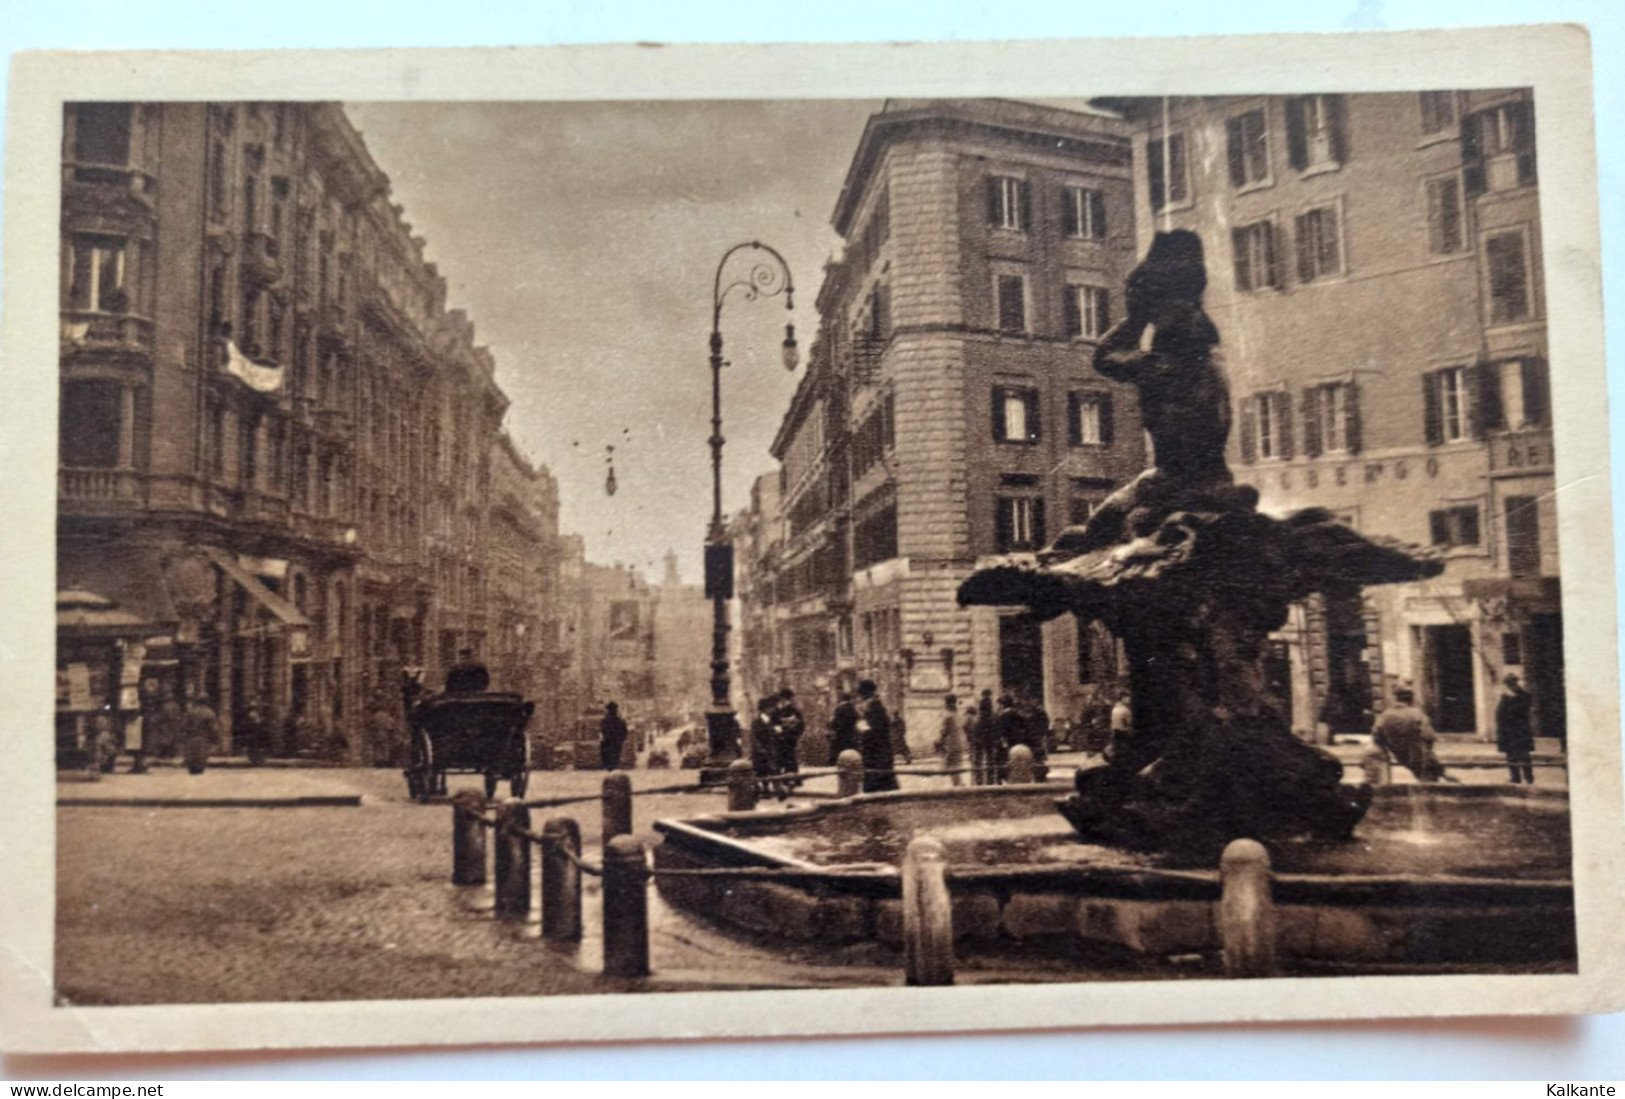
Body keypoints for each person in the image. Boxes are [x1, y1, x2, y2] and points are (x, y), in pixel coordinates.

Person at [1371, 686, 1452, 783]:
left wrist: (1391, 744)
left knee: (1433, 774)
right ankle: (1448, 778)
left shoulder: (1385, 716)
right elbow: (1429, 736)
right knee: (1430, 780)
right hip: (1419, 755)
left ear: (1395, 698)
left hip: (1399, 754)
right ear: (1411, 699)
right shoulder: (1416, 714)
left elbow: (1376, 735)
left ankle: (1445, 775)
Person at [855, 679, 898, 793]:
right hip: (877, 746)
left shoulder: (872, 705)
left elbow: (873, 726)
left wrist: (861, 727)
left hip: (875, 746)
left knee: (875, 772)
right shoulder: (875, 703)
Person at [1496, 674, 1536, 785]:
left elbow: (1518, 711)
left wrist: (1510, 699)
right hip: (1508, 731)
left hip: (1521, 730)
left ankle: (1529, 778)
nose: (1510, 687)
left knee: (1524, 755)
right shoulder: (1505, 697)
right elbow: (1500, 714)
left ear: (1516, 684)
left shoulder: (1525, 696)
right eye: (1508, 685)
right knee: (1510, 756)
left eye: (1512, 684)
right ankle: (1515, 778)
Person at [934, 694, 969, 787]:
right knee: (955, 765)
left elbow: (944, 731)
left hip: (950, 745)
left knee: (951, 766)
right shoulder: (957, 715)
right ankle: (958, 784)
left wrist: (938, 741)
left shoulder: (948, 716)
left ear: (947, 703)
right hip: (958, 743)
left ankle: (958, 785)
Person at [181, 693, 219, 776]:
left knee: (191, 760)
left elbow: (183, 726)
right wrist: (215, 740)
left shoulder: (190, 712)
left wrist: (184, 737)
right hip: (203, 739)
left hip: (191, 739)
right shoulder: (209, 712)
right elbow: (214, 728)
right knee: (201, 760)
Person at [993, 694, 1025, 784]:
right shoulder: (1018, 714)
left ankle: (1003, 779)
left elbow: (999, 731)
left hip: (1006, 742)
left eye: (999, 704)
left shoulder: (1002, 716)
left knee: (1003, 761)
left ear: (1002, 705)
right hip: (1017, 742)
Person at [773, 688, 805, 775]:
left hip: (788, 737)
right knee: (787, 757)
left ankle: (791, 777)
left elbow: (800, 724)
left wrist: (790, 731)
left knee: (788, 757)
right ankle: (790, 777)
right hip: (785, 737)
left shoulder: (792, 710)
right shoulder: (780, 710)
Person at [970, 689, 997, 785]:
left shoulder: (979, 719)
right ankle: (990, 780)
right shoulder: (993, 716)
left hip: (980, 735)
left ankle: (979, 781)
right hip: (989, 735)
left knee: (978, 759)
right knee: (990, 759)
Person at [827, 690, 860, 765]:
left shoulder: (838, 708)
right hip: (850, 735)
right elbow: (857, 720)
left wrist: (833, 729)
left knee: (838, 753)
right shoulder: (853, 709)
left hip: (840, 735)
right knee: (850, 753)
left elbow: (833, 721)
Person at [749, 695, 779, 776]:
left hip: (770, 752)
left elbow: (773, 737)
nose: (773, 709)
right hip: (760, 754)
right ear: (765, 709)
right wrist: (760, 750)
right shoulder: (756, 722)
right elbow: (754, 738)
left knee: (772, 772)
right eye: (771, 707)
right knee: (761, 773)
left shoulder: (771, 722)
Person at [599, 701, 629, 772]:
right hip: (616, 744)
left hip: (608, 744)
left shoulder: (604, 721)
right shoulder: (620, 721)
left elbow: (603, 732)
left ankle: (611, 772)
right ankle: (614, 772)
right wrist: (620, 740)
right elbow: (625, 733)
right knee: (615, 760)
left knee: (609, 762)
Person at [238, 700, 269, 766]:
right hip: (254, 733)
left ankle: (257, 759)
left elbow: (256, 723)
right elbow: (256, 723)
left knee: (254, 747)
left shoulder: (252, 714)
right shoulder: (254, 714)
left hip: (254, 733)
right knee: (254, 747)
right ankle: (257, 759)